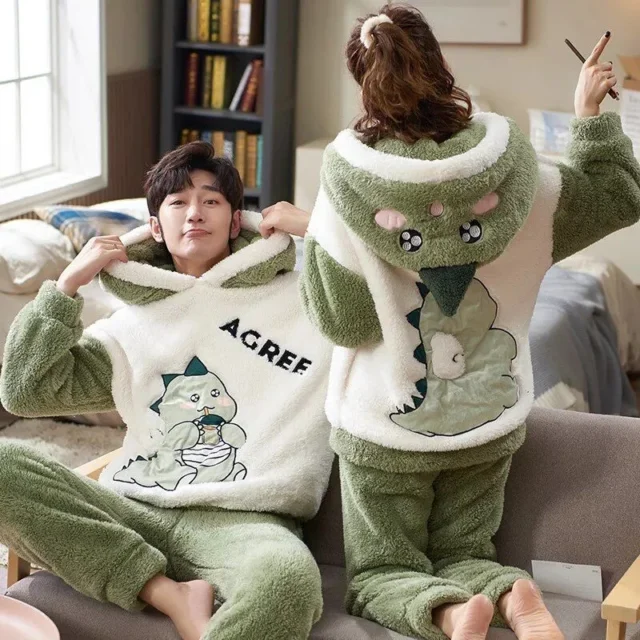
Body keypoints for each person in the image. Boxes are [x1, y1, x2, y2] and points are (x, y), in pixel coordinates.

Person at [299, 4, 640, 640]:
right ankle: (508, 593)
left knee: (381, 572)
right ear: (439, 65)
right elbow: (616, 196)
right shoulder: (514, 172)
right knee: (467, 551)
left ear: (363, 81)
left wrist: (317, 233)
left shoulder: (348, 182)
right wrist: (590, 115)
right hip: (487, 418)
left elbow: (343, 320)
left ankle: (453, 613)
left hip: (386, 424)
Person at [0, 142, 334, 640]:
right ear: (155, 227)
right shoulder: (130, 326)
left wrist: (318, 227)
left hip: (244, 524)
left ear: (236, 221)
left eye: (211, 200)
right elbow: (24, 390)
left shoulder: (306, 300)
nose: (194, 212)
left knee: (287, 584)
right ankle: (168, 593)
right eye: (178, 202)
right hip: (132, 507)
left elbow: (404, 289)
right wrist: (66, 287)